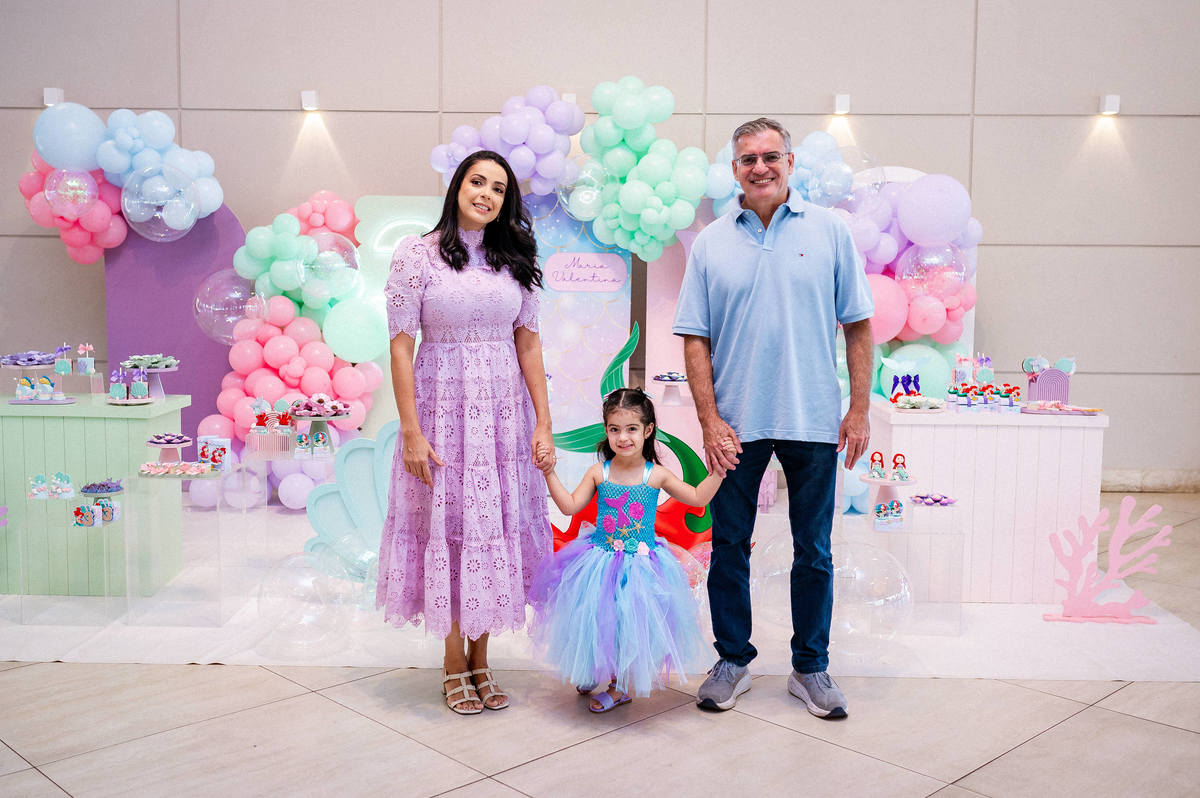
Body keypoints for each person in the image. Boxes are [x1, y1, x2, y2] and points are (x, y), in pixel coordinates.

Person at [672, 118, 875, 719]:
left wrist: (859, 408)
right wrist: (709, 420)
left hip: (813, 418)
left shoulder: (830, 231)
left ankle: (811, 667)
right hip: (735, 424)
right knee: (728, 545)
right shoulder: (711, 244)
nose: (759, 167)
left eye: (769, 156)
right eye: (747, 159)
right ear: (734, 169)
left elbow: (858, 325)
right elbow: (695, 338)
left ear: (789, 162)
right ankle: (732, 660)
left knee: (814, 550)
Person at [377, 150, 554, 716]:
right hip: (441, 411)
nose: (486, 194)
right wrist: (410, 430)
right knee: (450, 527)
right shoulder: (417, 255)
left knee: (491, 526)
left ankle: (483, 658)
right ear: (458, 186)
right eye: (478, 182)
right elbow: (400, 347)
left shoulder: (515, 258)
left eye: (498, 189)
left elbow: (529, 343)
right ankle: (454, 662)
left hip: (502, 418)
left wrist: (543, 421)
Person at [529, 388, 722, 713]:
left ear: (648, 430)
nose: (623, 437)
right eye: (614, 429)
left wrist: (719, 471)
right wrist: (549, 473)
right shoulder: (599, 472)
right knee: (593, 619)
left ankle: (619, 687)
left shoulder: (655, 474)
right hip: (598, 562)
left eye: (632, 429)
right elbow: (569, 506)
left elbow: (698, 497)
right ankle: (592, 668)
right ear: (606, 430)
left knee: (625, 625)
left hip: (641, 566)